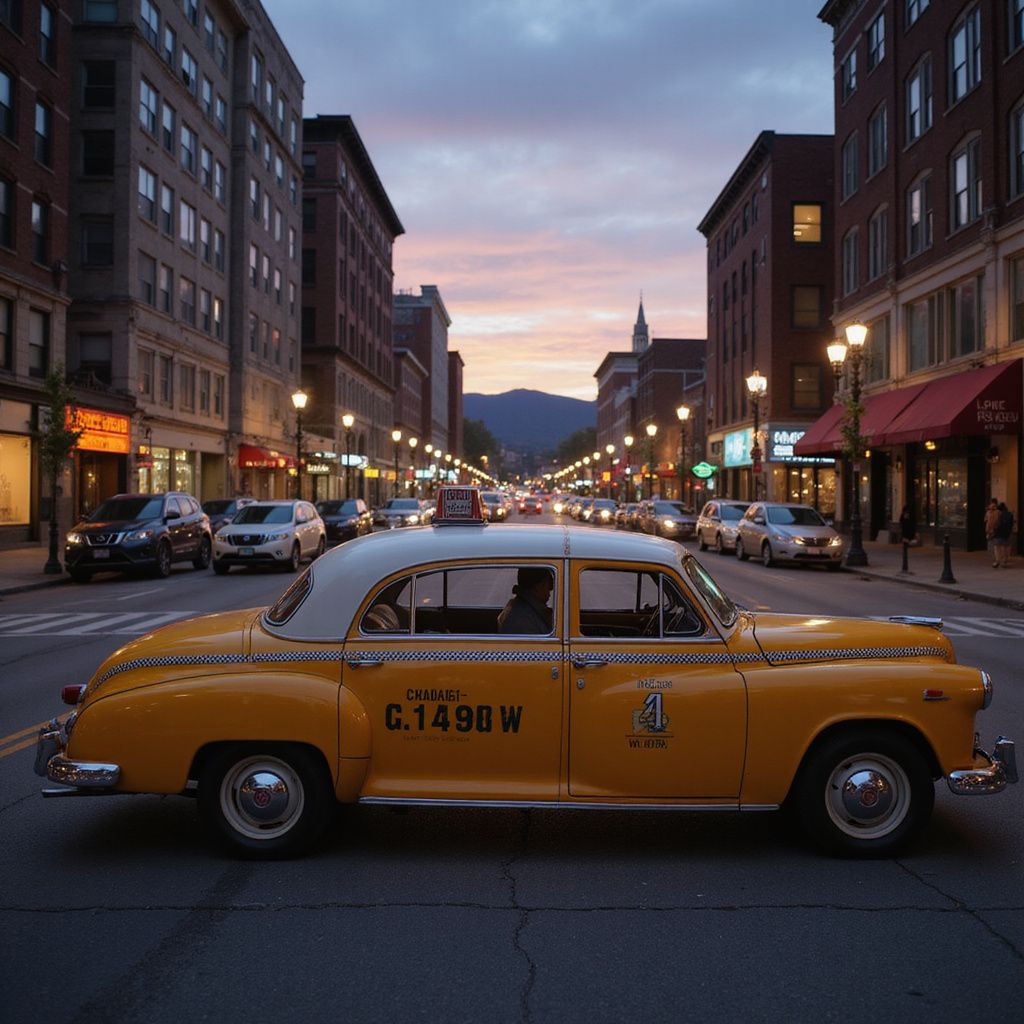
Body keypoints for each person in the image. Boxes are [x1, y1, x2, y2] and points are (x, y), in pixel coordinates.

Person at [497, 567, 554, 634]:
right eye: (548, 584)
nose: (550, 590)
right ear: (538, 587)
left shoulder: (525, 609)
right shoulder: (521, 619)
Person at [994, 501, 1014, 568]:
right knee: (1006, 547)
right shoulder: (1010, 514)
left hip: (998, 533)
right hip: (1007, 533)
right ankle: (1004, 561)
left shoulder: (998, 514)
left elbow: (995, 524)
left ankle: (998, 561)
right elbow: (1012, 524)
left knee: (997, 547)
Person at [984, 498, 1002, 567]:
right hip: (995, 530)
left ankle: (997, 559)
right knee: (996, 545)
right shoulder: (999, 512)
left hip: (991, 530)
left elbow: (985, 520)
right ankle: (998, 559)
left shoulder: (988, 512)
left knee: (994, 546)